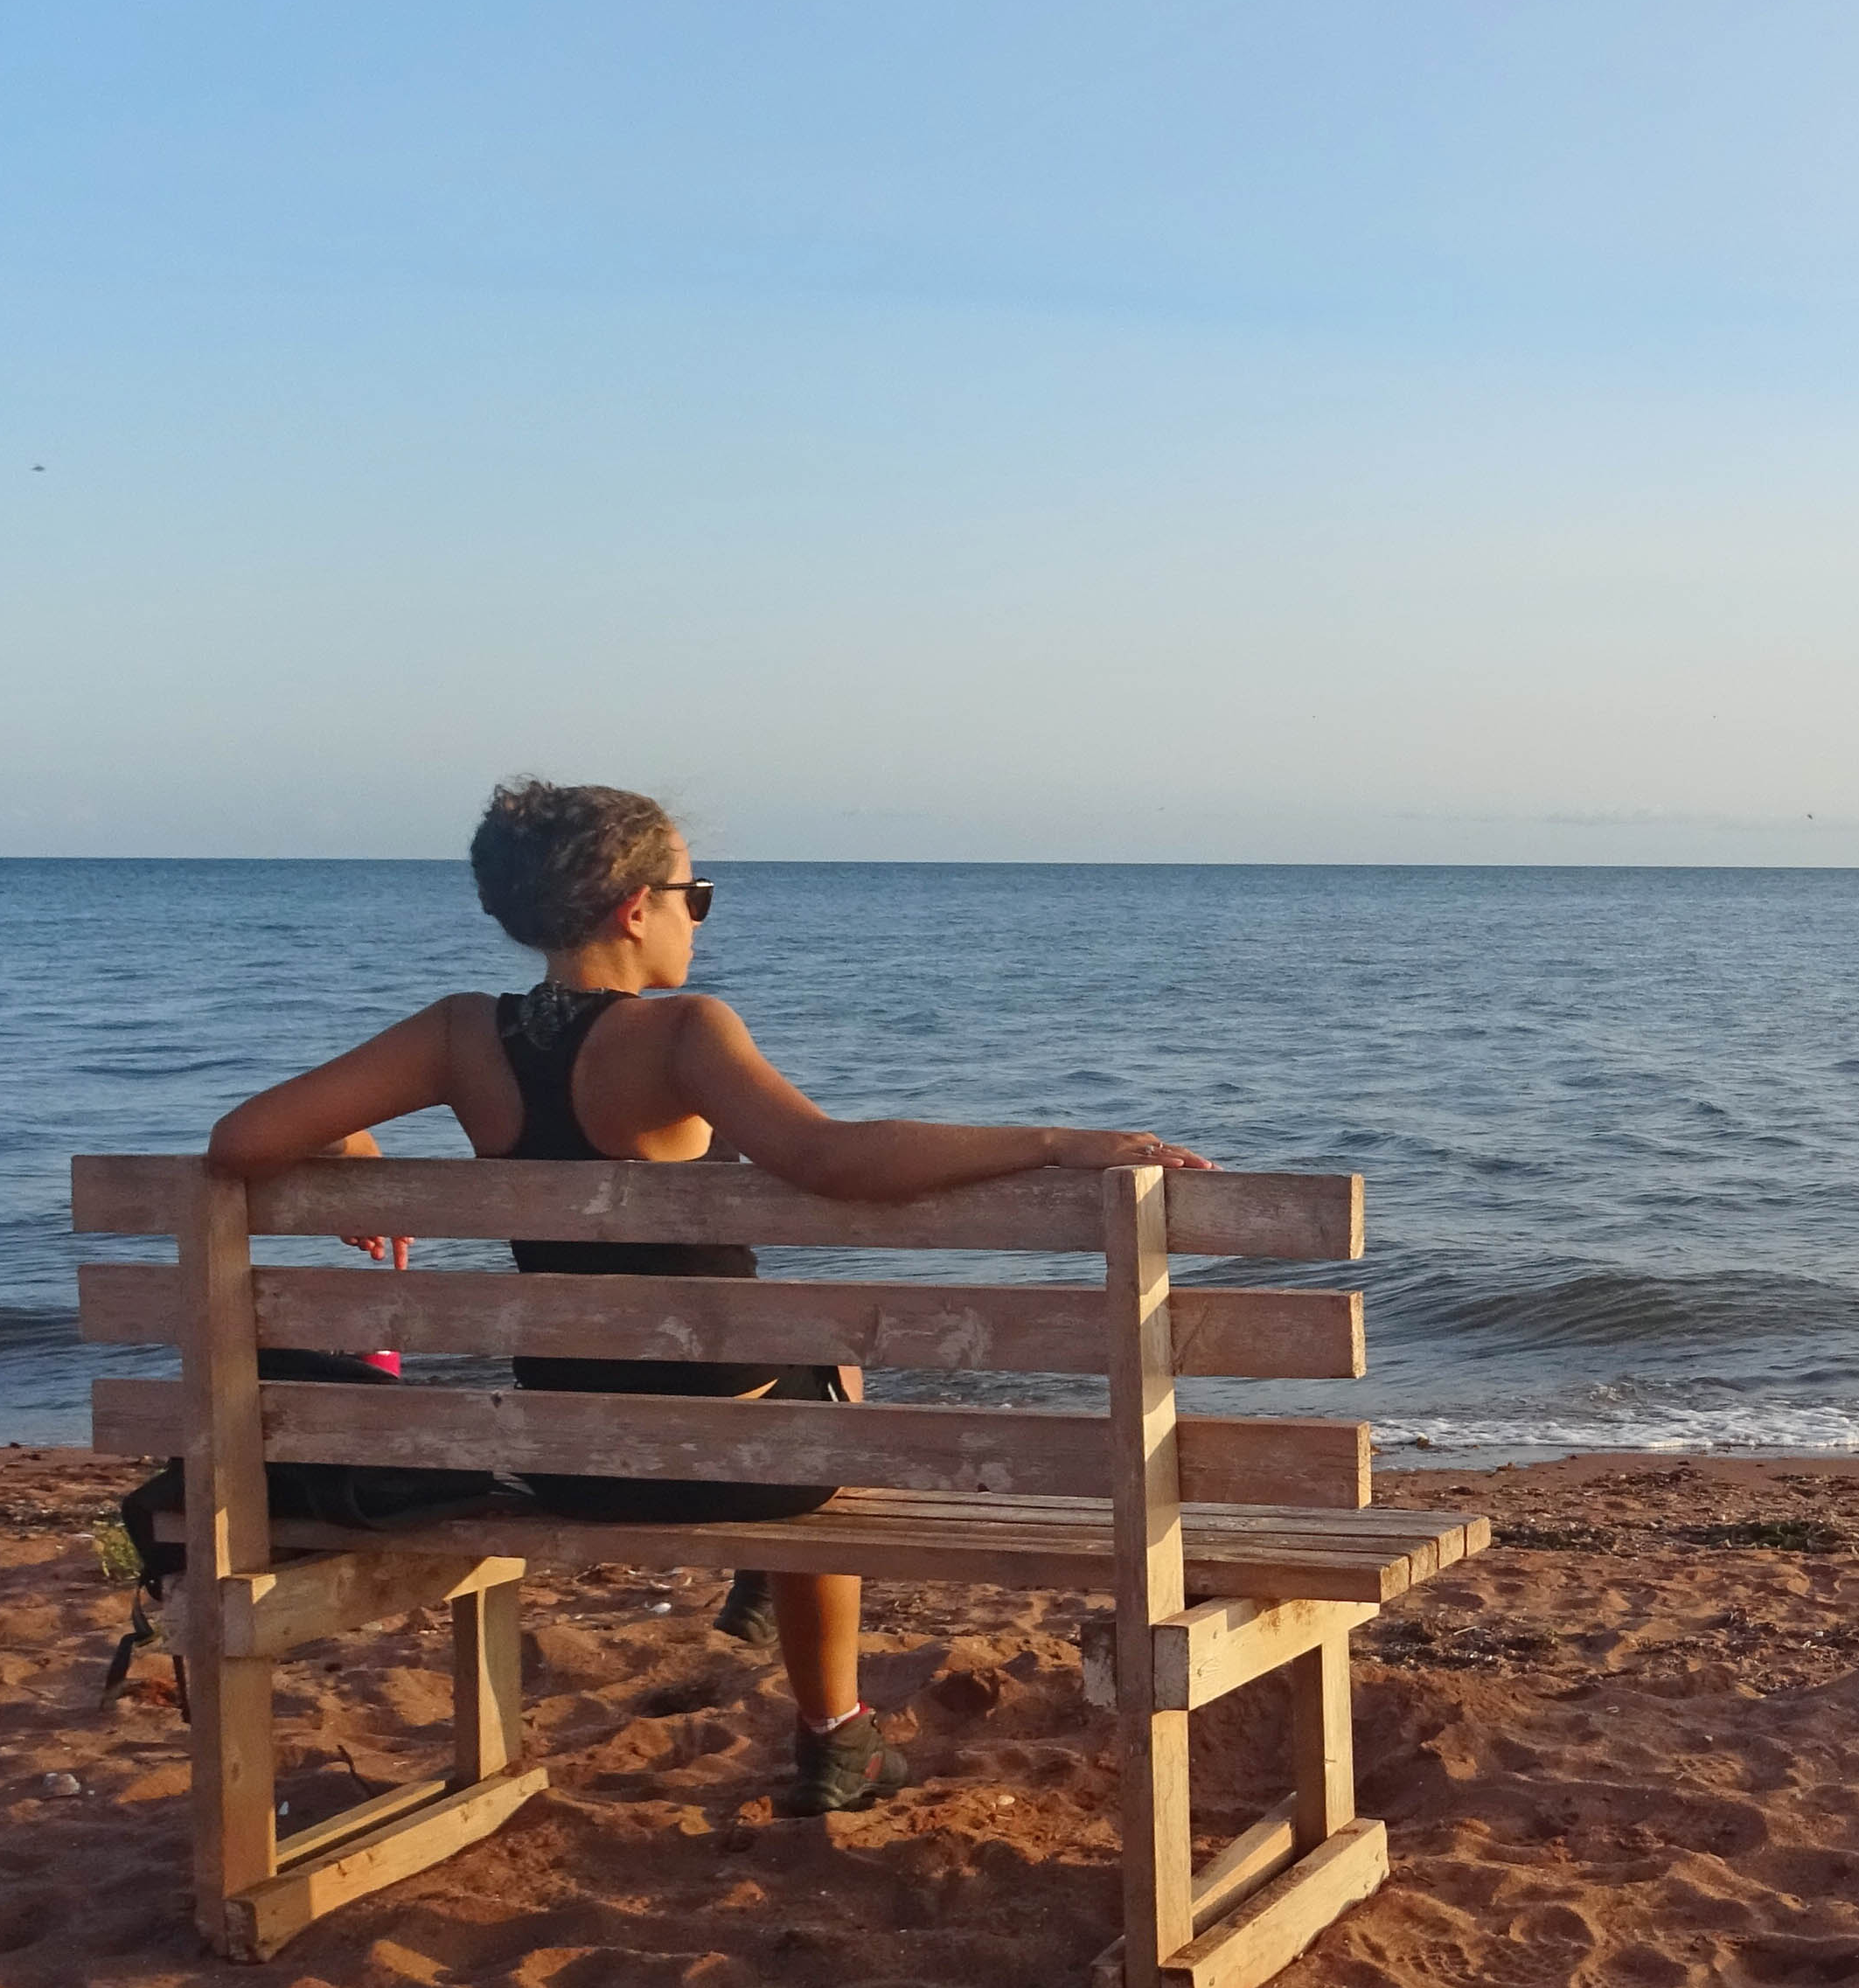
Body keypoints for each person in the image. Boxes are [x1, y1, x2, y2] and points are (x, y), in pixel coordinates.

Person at [203, 778, 1207, 1815]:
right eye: (698, 894)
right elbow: (827, 1156)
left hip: (567, 1461)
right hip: (745, 1464)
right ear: (635, 909)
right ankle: (834, 1732)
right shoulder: (681, 1033)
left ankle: (807, 1667)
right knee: (826, 1372)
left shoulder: (457, 1038)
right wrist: (1056, 1142)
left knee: (809, 1366)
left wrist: (352, 1145)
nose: (699, 915)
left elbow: (240, 1141)